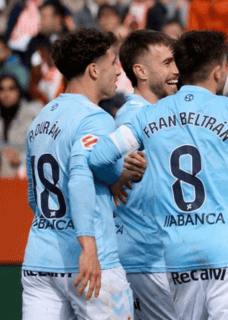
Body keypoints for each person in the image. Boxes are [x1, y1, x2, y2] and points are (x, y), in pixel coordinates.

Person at [89, 30, 228, 320]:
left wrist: (114, 179)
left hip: (179, 258)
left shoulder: (149, 117)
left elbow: (98, 156)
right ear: (218, 72)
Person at [21, 28, 137, 319]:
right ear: (94, 70)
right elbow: (80, 178)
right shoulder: (95, 118)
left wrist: (115, 176)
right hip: (89, 262)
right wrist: (87, 245)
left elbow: (34, 197)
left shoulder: (41, 118)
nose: (118, 72)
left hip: (40, 261)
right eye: (113, 63)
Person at [114, 29, 180, 320]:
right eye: (166, 63)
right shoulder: (134, 118)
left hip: (152, 258)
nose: (176, 71)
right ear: (140, 71)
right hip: (147, 259)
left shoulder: (154, 114)